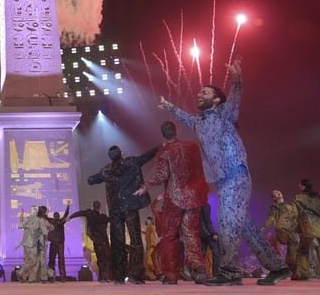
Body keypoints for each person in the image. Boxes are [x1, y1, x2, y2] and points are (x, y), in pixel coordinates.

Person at [160, 59, 290, 286]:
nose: (200, 94)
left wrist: (237, 79)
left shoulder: (225, 113)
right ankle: (278, 268)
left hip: (236, 175)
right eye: (199, 92)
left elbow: (236, 97)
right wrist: (170, 107)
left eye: (206, 92)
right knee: (244, 227)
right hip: (222, 180)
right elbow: (184, 117)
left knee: (227, 225)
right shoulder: (199, 121)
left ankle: (230, 273)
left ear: (217, 99)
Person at [135, 120, 209, 285]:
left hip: (174, 198)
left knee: (169, 236)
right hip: (193, 197)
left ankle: (171, 275)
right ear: (175, 131)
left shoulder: (164, 152)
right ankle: (200, 268)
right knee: (191, 234)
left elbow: (162, 175)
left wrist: (146, 185)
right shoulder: (192, 147)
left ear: (162, 134)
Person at [87, 143, 157, 285]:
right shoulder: (131, 162)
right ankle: (135, 274)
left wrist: (95, 178)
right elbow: (148, 155)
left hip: (115, 210)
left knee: (117, 241)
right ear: (121, 153)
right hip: (129, 207)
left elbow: (91, 180)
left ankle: (119, 276)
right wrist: (159, 147)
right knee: (136, 240)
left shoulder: (106, 170)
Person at [68, 201, 112, 282]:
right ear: (99, 207)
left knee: (100, 259)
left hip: (97, 240)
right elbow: (112, 219)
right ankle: (106, 277)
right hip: (104, 240)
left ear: (93, 206)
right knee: (106, 259)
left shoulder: (89, 213)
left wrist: (70, 217)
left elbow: (79, 213)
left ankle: (102, 277)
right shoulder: (103, 217)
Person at [261, 189, 299, 273]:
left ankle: (289, 269)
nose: (278, 192)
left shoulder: (289, 206)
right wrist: (263, 228)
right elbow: (270, 218)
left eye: (278, 191)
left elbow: (295, 217)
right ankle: (291, 269)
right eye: (275, 193)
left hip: (291, 230)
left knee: (292, 248)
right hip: (283, 230)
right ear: (274, 198)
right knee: (293, 247)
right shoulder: (275, 207)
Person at [15, 206, 52, 282]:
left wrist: (48, 226)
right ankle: (22, 273)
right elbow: (19, 225)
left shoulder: (40, 219)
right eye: (32, 210)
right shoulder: (33, 219)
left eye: (34, 210)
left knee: (38, 261)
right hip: (32, 243)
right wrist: (28, 226)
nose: (33, 212)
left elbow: (47, 230)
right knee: (35, 261)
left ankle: (33, 278)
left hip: (36, 243)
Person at [44, 201, 72, 281]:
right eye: (56, 215)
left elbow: (66, 214)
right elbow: (66, 215)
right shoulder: (58, 222)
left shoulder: (58, 222)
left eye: (57, 215)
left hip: (58, 243)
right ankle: (56, 277)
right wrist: (68, 207)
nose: (56, 216)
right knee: (57, 260)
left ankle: (57, 277)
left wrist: (68, 207)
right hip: (57, 243)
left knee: (56, 260)